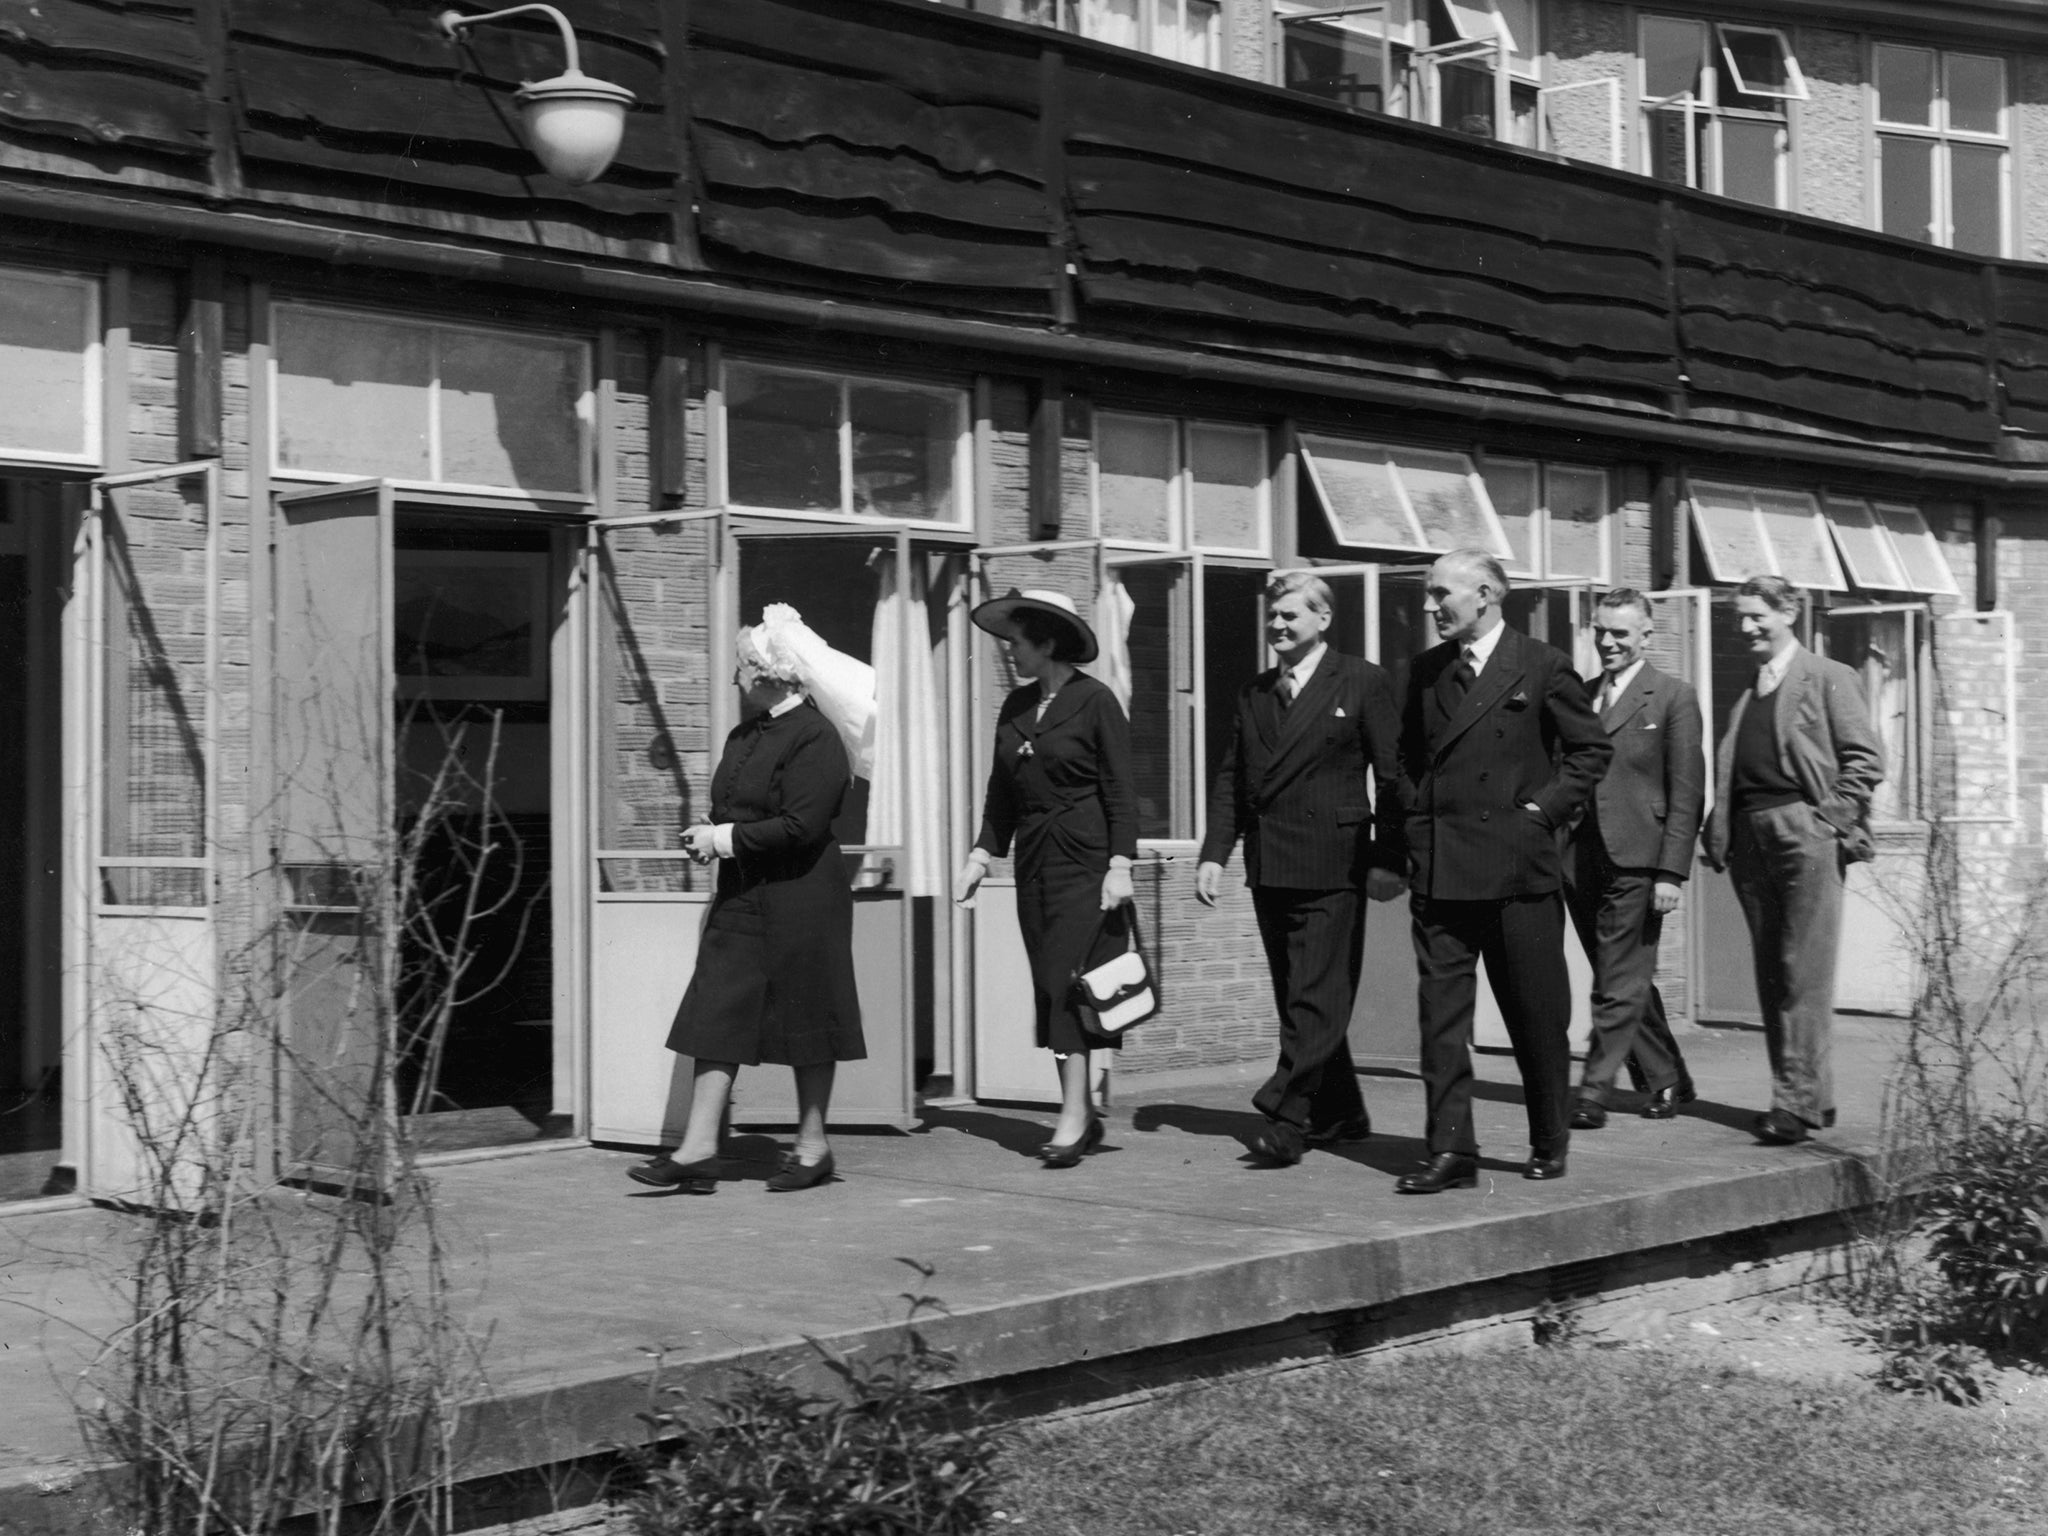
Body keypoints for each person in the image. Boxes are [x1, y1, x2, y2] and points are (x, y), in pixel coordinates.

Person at [1395, 549, 1612, 1193]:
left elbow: (1590, 750)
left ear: (1486, 594)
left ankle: (1549, 1137)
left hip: (1518, 871)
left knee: (1535, 1015)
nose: (1430, 608)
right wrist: (1416, 826)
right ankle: (1451, 1151)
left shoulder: (1541, 665)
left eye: (1442, 595)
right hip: (1442, 871)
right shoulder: (1426, 672)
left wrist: (1542, 813)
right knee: (1440, 1018)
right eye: (1429, 596)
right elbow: (1405, 762)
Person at [629, 624, 865, 1194]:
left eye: (740, 663)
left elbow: (802, 825)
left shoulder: (816, 738)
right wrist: (711, 831)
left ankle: (812, 1147)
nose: (734, 672)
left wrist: (726, 840)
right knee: (715, 1007)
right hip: (743, 892)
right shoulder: (745, 734)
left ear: (766, 672)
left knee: (808, 1014)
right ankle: (700, 1147)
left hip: (802, 894)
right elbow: (736, 808)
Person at [1195, 569, 1408, 1166]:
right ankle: (1342, 1112)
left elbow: (1393, 777)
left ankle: (1288, 1117)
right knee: (1299, 993)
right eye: (1273, 615)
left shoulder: (1363, 681)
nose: (1278, 625)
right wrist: (1215, 853)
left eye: (1290, 615)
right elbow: (1233, 779)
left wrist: (1391, 859)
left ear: (1323, 619)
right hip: (1270, 862)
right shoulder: (1256, 692)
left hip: (1334, 863)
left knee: (1315, 994)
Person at [954, 588, 1136, 1168]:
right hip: (1035, 863)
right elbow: (1000, 796)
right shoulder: (1015, 707)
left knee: (1069, 981)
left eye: (1018, 642)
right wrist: (980, 858)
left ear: (1048, 643)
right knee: (1051, 984)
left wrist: (1120, 865)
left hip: (1086, 864)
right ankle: (1077, 1107)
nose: (1009, 652)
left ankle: (1075, 1116)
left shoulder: (1096, 701)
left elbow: (1121, 792)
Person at [1702, 574, 1883, 1145]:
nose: (1746, 626)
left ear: (1789, 614)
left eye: (1757, 615)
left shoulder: (1829, 677)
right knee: (1773, 972)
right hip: (1751, 839)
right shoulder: (1748, 691)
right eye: (1741, 617)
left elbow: (1865, 759)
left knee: (1804, 973)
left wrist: (1827, 821)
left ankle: (1792, 1104)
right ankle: (1809, 1100)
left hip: (1803, 830)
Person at [1564, 589, 1704, 1130]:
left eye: (1621, 633)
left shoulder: (1673, 696)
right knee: (1622, 973)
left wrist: (1672, 871)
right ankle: (1668, 1074)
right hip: (1581, 857)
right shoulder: (1583, 694)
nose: (1609, 642)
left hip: (1640, 858)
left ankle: (1593, 1090)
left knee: (1616, 979)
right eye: (1601, 631)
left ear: (1647, 635)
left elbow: (1688, 789)